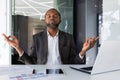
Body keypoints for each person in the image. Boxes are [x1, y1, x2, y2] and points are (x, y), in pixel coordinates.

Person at [2, 8, 98, 65]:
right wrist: (17, 47)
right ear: (45, 20)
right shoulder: (37, 38)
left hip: (64, 76)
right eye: (48, 16)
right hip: (42, 75)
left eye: (55, 16)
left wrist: (84, 50)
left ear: (60, 21)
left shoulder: (68, 37)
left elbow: (73, 62)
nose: (52, 17)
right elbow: (31, 62)